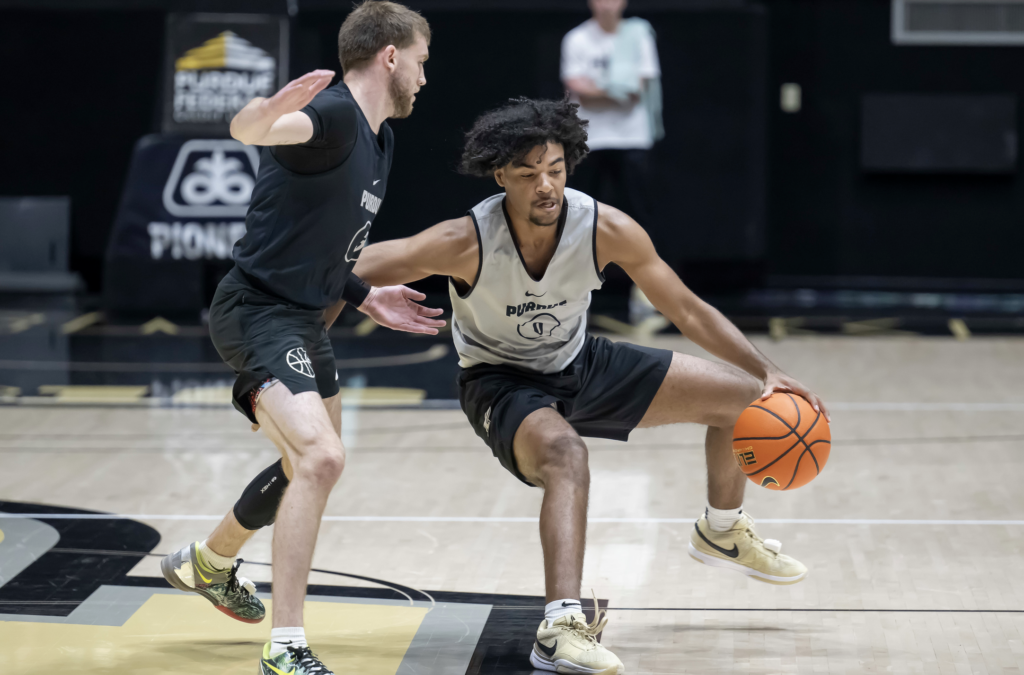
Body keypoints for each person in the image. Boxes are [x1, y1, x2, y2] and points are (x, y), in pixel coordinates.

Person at [348, 97, 830, 674]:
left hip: (581, 361)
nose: (545, 186)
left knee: (746, 399)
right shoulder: (464, 240)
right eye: (528, 174)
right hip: (500, 382)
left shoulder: (605, 228)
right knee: (565, 455)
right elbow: (349, 264)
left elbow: (686, 308)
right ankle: (559, 629)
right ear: (500, 177)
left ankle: (722, 530)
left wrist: (766, 370)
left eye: (555, 169)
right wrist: (351, 305)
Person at [158, 3, 443, 674]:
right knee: (321, 457)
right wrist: (261, 114)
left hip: (305, 317)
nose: (425, 78)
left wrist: (365, 295)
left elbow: (319, 243)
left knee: (305, 463)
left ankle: (210, 562)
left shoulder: (380, 138)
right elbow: (253, 129)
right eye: (421, 62)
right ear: (391, 57)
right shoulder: (334, 114)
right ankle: (285, 647)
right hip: (257, 311)